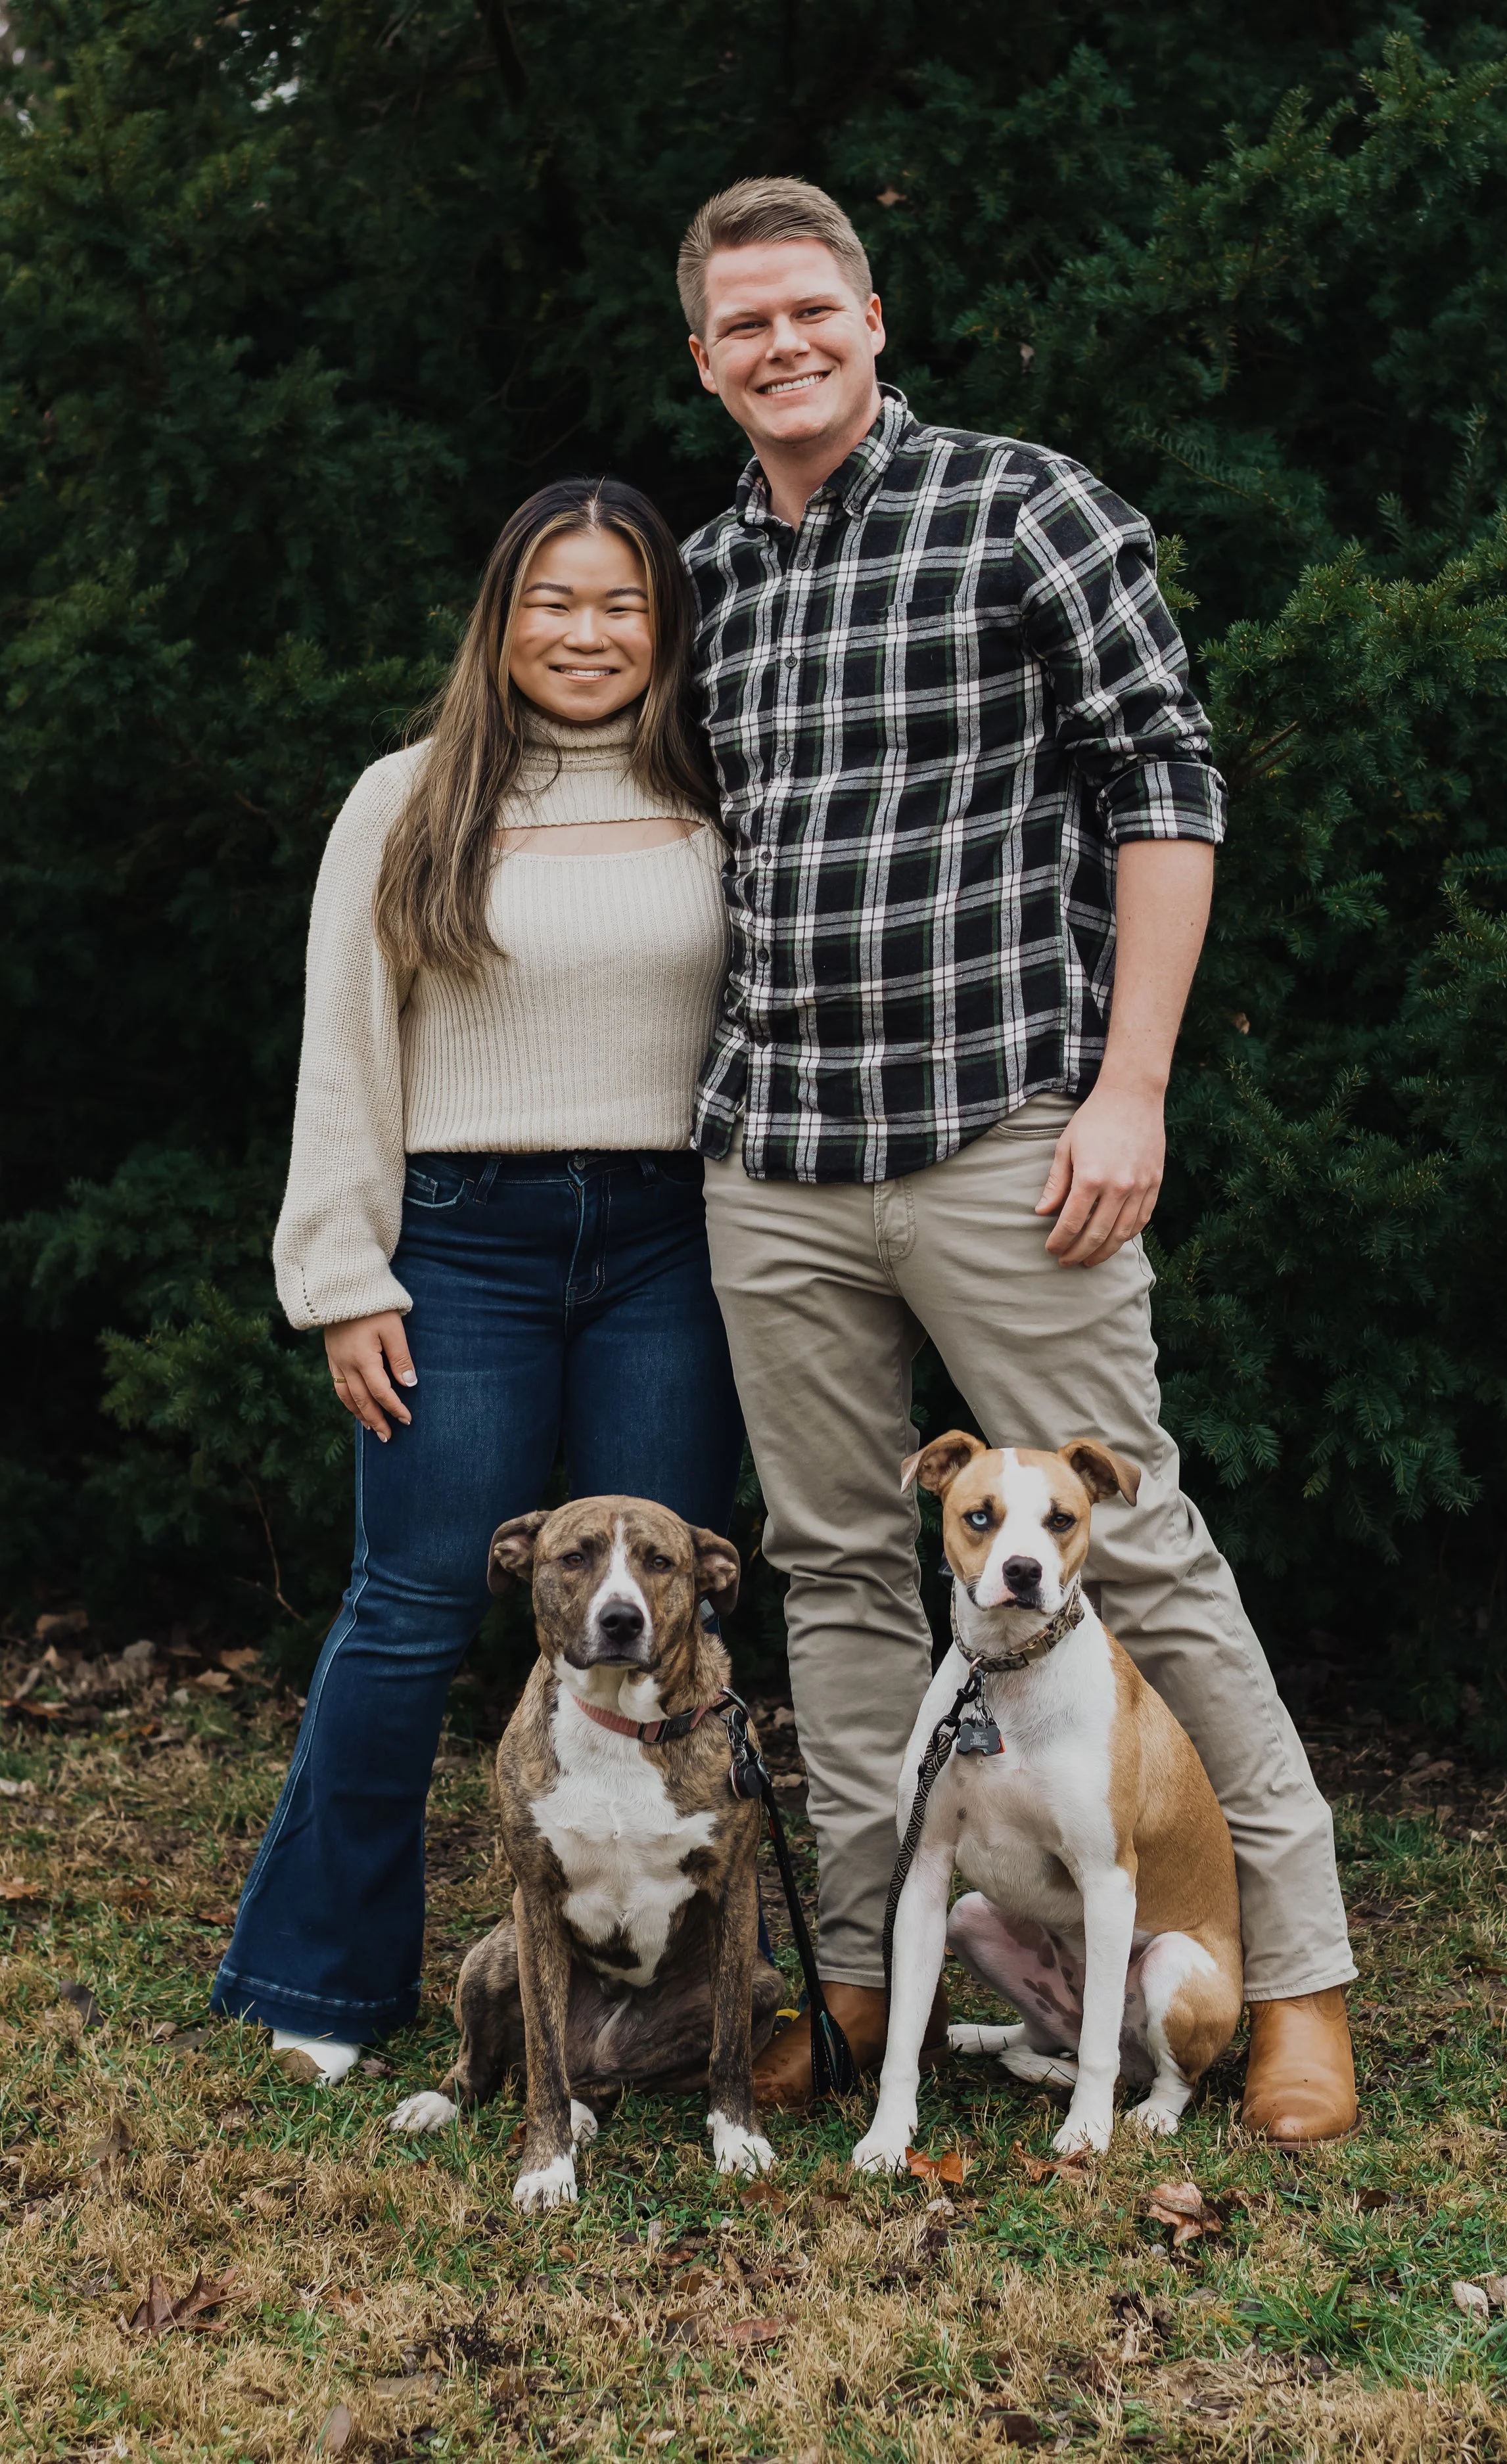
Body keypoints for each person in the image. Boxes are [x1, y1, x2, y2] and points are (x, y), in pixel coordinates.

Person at [673, 177, 1359, 2140]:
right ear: (704, 357)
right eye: (744, 326)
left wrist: (1129, 1082)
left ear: (872, 318)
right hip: (777, 1151)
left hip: (1007, 1134)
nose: (783, 346)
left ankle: (1298, 1976)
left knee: (1131, 1541)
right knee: (833, 1572)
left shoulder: (1024, 505)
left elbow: (1165, 775)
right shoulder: (711, 573)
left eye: (813, 310)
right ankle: (867, 1979)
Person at [213, 478, 744, 2080]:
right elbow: (343, 1043)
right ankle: (318, 1984)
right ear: (499, 621)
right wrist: (343, 1271)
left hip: (674, 1235)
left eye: (622, 606)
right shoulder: (410, 795)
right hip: (459, 1238)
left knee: (664, 1628)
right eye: (551, 604)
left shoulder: (723, 788)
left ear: (668, 625)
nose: (585, 636)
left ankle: (671, 2004)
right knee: (413, 1602)